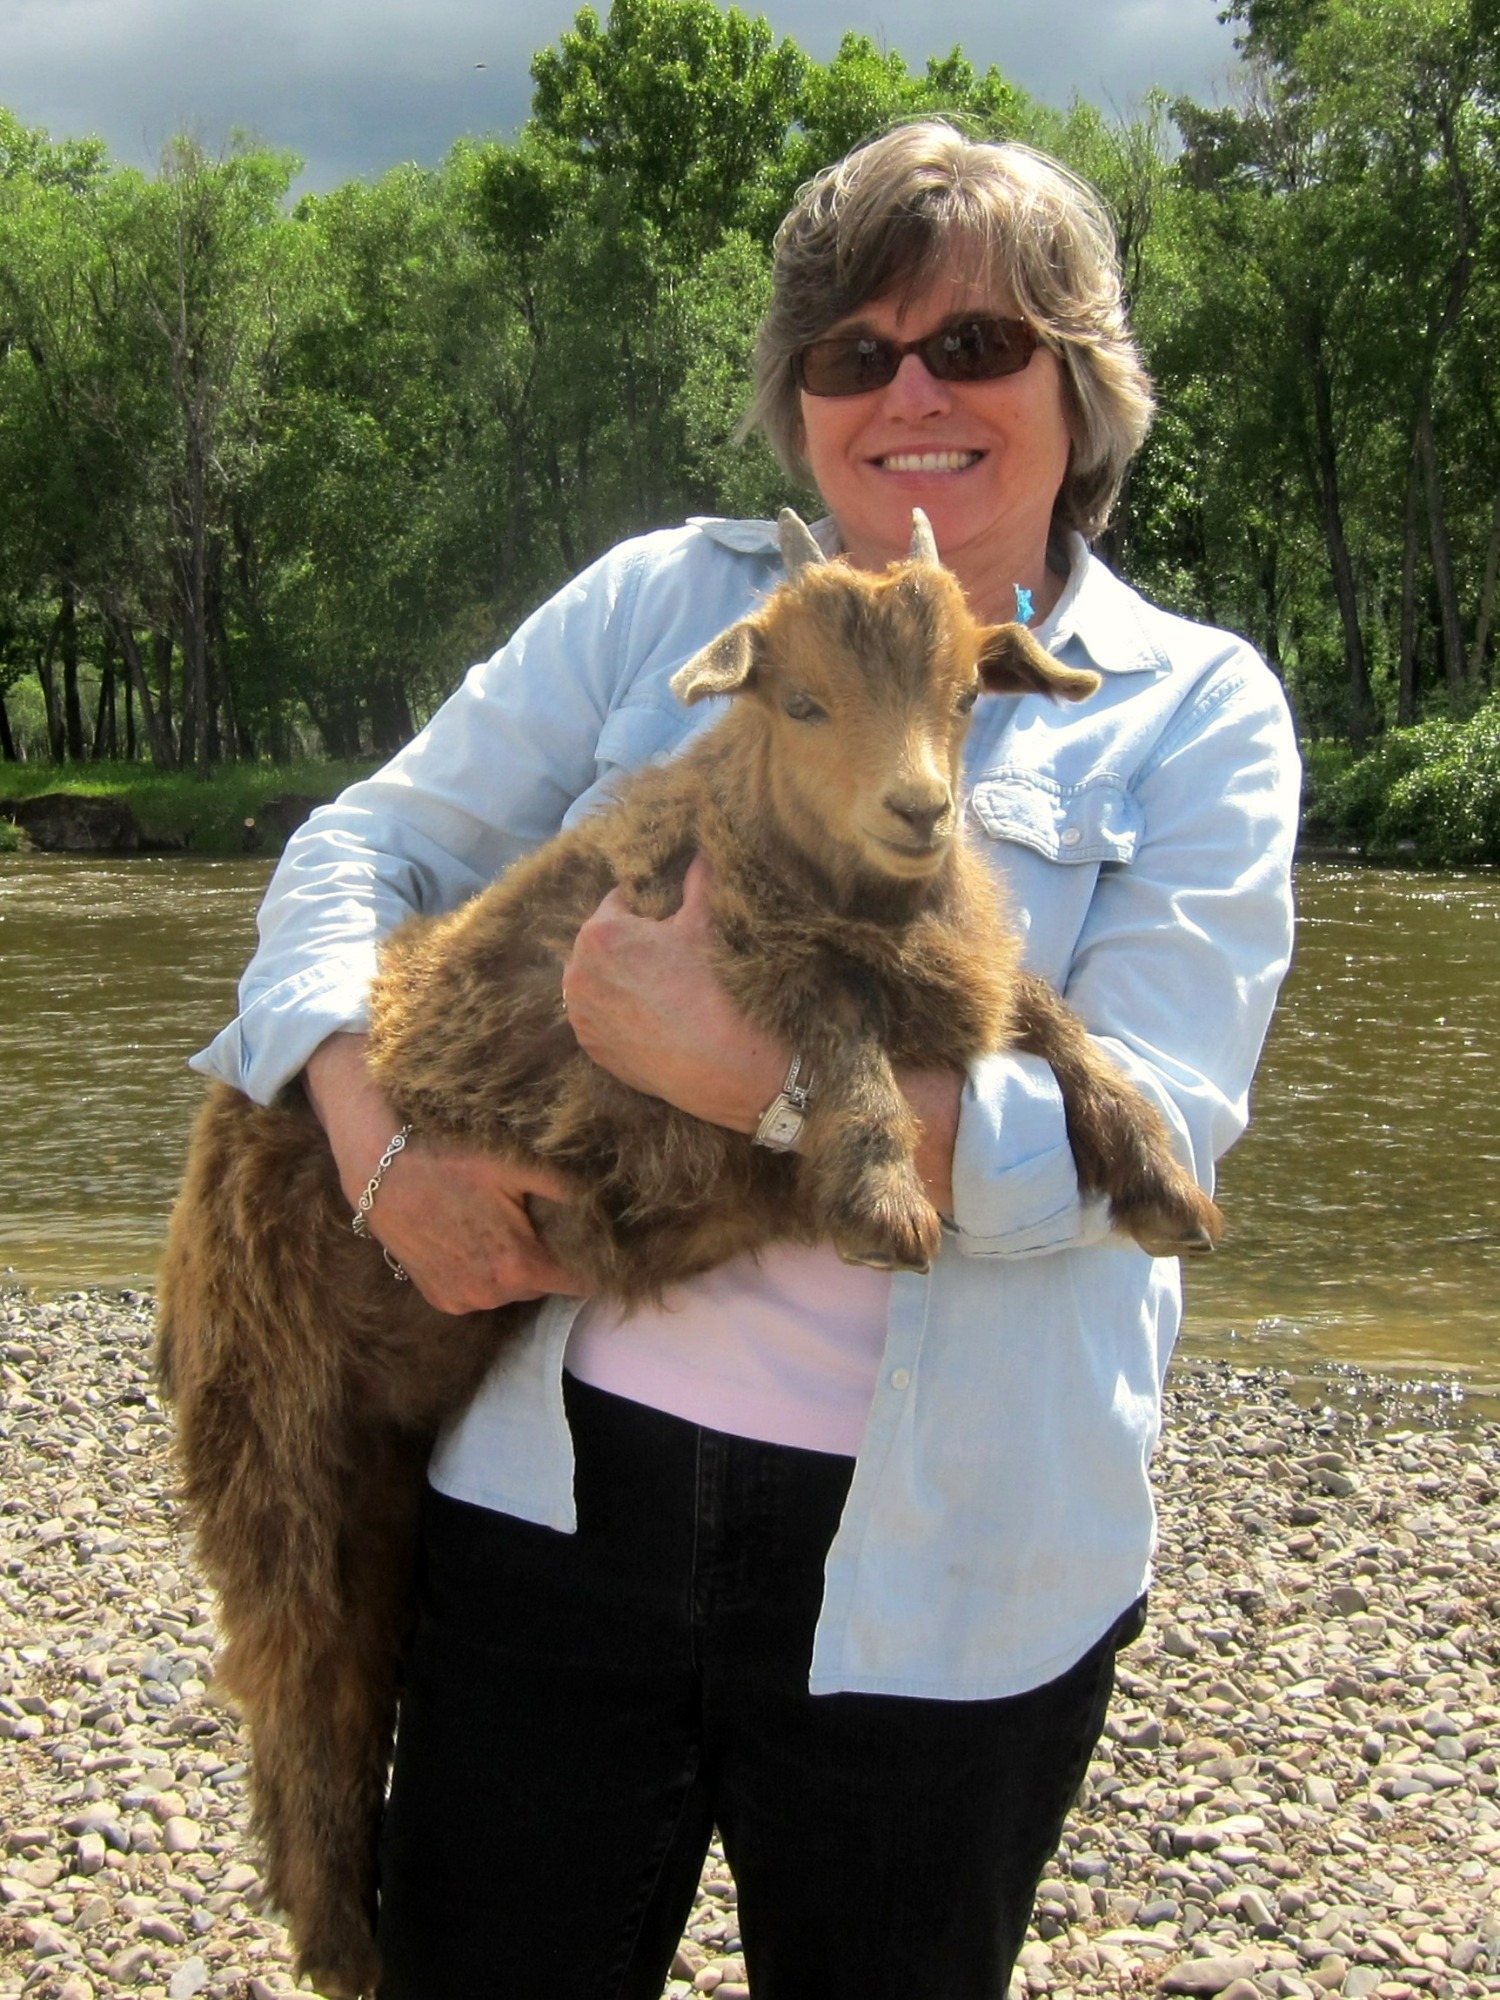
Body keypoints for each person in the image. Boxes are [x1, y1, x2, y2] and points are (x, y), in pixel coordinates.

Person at [194, 121, 1301, 2000]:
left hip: (948, 1574)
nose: (910, 394)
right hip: (553, 1505)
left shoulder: (1194, 710)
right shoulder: (661, 604)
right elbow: (358, 848)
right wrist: (382, 1153)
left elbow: (1146, 1144)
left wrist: (750, 1075)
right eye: (853, 354)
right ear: (799, 400)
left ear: (1084, 386)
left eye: (976, 344)